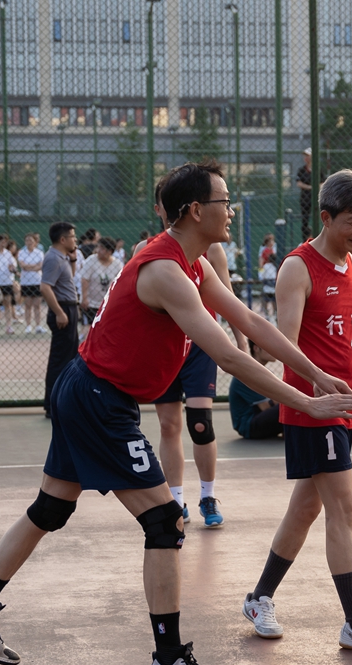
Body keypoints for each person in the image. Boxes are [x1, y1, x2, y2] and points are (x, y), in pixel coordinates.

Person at [0, 160, 352, 665]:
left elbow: (252, 324)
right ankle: (168, 663)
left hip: (90, 390)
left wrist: (314, 372)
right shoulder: (164, 270)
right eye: (223, 201)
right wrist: (308, 401)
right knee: (165, 522)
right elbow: (231, 357)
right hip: (98, 398)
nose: (230, 210)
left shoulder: (194, 263)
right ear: (194, 211)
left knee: (50, 509)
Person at [240, 169, 352, 652]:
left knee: (306, 508)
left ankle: (259, 597)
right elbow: (284, 343)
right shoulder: (298, 267)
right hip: (314, 409)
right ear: (326, 217)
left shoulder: (350, 265)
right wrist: (316, 387)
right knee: (345, 507)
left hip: (343, 407)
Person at [137, 178, 248, 528]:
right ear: (159, 209)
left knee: (200, 424)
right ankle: (176, 500)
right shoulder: (148, 251)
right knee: (169, 424)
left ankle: (208, 494)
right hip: (164, 349)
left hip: (200, 347)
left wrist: (241, 344)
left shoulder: (211, 250)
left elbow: (231, 303)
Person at [40, 222, 81, 418]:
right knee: (60, 359)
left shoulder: (62, 257)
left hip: (69, 307)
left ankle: (62, 402)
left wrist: (72, 260)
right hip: (63, 308)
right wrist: (59, 312)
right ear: (63, 239)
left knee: (69, 357)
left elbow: (68, 279)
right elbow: (45, 287)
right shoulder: (53, 259)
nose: (76, 240)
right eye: (73, 236)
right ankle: (52, 404)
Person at [229, 343, 282, 440]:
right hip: (248, 425)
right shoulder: (247, 373)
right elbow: (266, 407)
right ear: (256, 348)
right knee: (290, 405)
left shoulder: (265, 373)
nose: (275, 351)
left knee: (291, 403)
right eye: (270, 347)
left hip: (259, 419)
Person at [79, 236, 122, 337]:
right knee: (89, 329)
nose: (98, 250)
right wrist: (84, 298)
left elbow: (119, 283)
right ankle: (82, 347)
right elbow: (85, 280)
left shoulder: (117, 264)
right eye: (98, 247)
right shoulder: (91, 260)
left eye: (102, 248)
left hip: (107, 303)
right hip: (91, 303)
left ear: (109, 251)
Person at [18, 232, 46, 333]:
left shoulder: (39, 252)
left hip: (37, 281)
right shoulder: (21, 252)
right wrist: (34, 266)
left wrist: (29, 267)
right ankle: (28, 326)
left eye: (31, 240)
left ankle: (38, 325)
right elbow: (23, 266)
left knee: (37, 305)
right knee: (28, 304)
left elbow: (40, 266)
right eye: (27, 240)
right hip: (26, 282)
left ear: (35, 242)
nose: (29, 242)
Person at [296, 147, 313, 241]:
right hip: (305, 199)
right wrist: (311, 187)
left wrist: (316, 187)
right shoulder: (301, 170)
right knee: (305, 220)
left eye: (308, 155)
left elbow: (322, 183)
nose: (305, 158)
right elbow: (299, 183)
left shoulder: (318, 169)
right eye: (305, 156)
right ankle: (305, 241)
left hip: (316, 198)